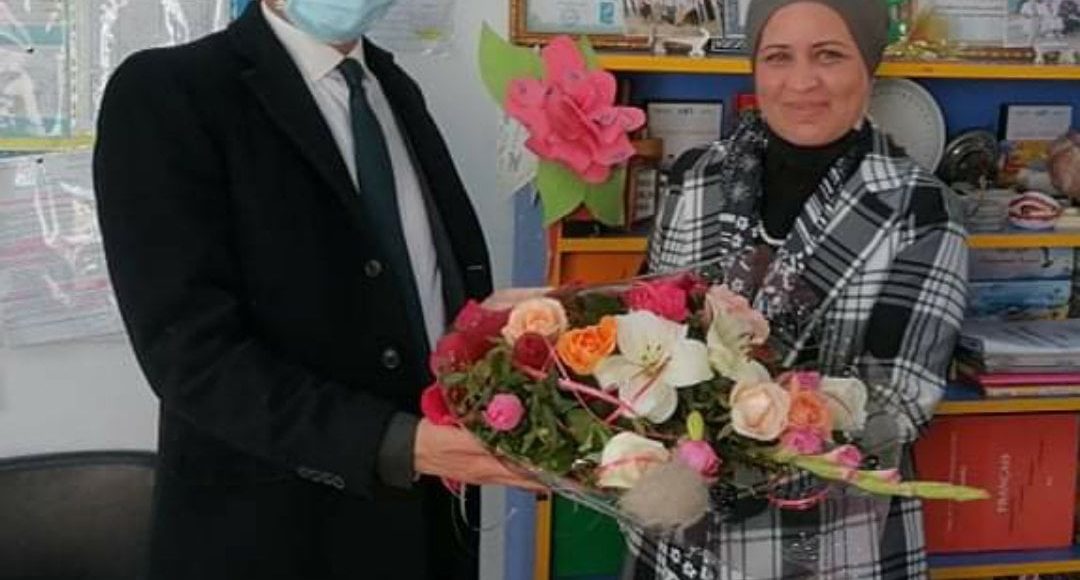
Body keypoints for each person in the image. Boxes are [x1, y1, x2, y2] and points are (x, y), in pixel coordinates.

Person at [92, 1, 538, 579]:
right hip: (276, 537)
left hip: (426, 529)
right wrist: (393, 443)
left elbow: (409, 290)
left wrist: (490, 328)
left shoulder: (393, 89)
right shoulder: (170, 93)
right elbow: (192, 357)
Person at [626, 0, 968, 577]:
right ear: (755, 68)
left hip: (825, 536)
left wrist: (736, 437)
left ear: (868, 66)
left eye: (829, 56)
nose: (802, 82)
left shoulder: (919, 208)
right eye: (778, 57)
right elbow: (643, 326)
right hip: (676, 526)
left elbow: (898, 405)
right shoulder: (697, 177)